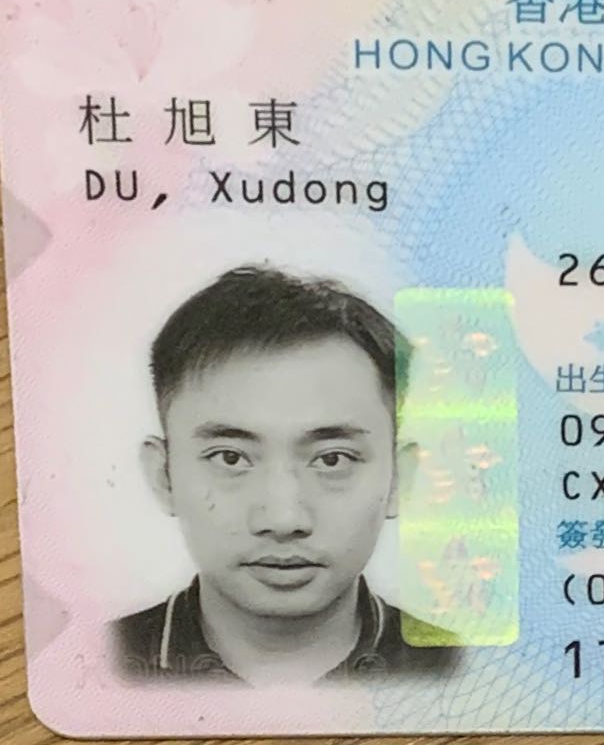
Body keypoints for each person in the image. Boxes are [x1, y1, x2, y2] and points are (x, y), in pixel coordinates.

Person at [113, 265, 459, 684]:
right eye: (230, 458)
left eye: (332, 459)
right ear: (163, 476)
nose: (283, 520)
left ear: (400, 480)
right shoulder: (95, 662)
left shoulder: (467, 673)